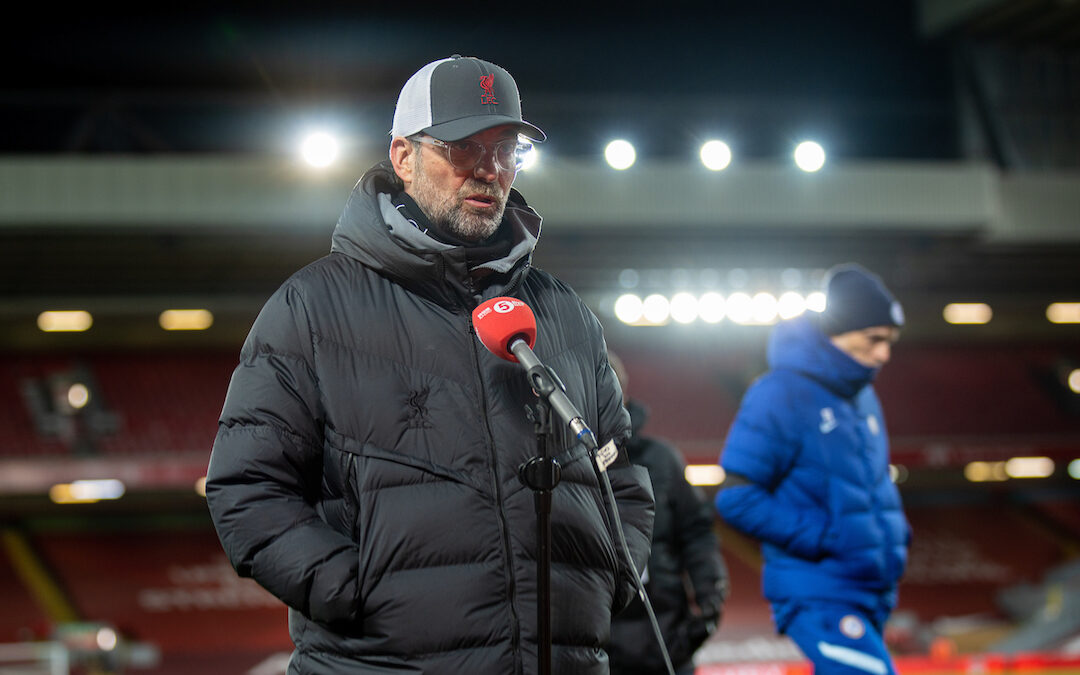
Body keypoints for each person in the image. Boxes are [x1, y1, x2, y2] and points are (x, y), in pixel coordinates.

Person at [204, 55, 655, 675]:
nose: (489, 171)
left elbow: (620, 473)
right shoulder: (312, 308)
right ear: (403, 157)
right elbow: (247, 488)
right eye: (462, 147)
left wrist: (611, 580)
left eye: (506, 149)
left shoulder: (563, 314)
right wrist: (356, 594)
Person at [714, 263, 911, 675]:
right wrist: (825, 537)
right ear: (835, 331)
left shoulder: (864, 397)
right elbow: (735, 497)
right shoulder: (778, 393)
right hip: (818, 590)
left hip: (871, 589)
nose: (884, 354)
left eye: (890, 341)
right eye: (873, 340)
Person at [607, 353, 730, 675]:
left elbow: (697, 529)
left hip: (667, 641)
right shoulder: (554, 466)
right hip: (596, 649)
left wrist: (710, 593)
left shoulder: (660, 458)